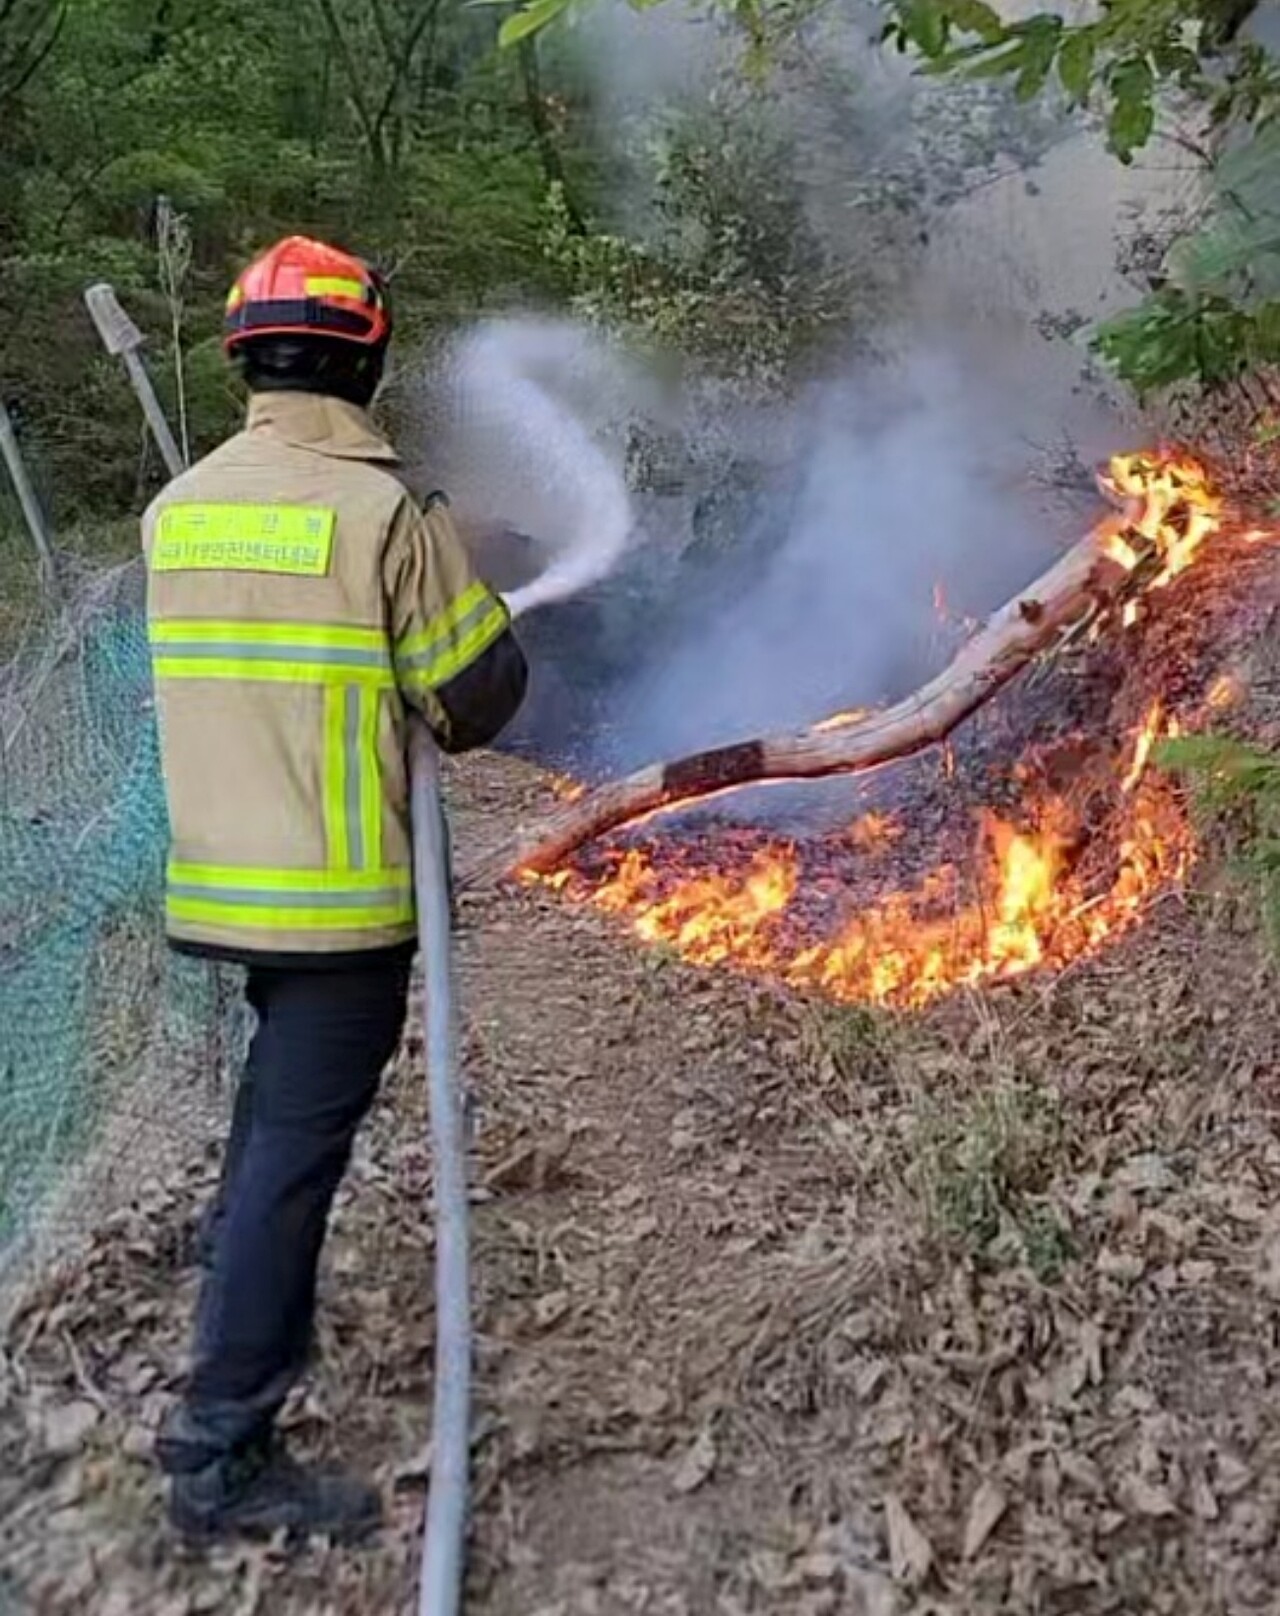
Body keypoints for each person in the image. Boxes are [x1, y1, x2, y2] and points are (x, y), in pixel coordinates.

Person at [143, 235, 528, 1540]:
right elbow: (474, 699)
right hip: (342, 906)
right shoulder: (387, 516)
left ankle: (229, 1320)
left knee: (269, 1136)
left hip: (223, 887)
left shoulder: (177, 509)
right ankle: (219, 1453)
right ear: (366, 357)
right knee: (292, 1165)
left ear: (245, 357)